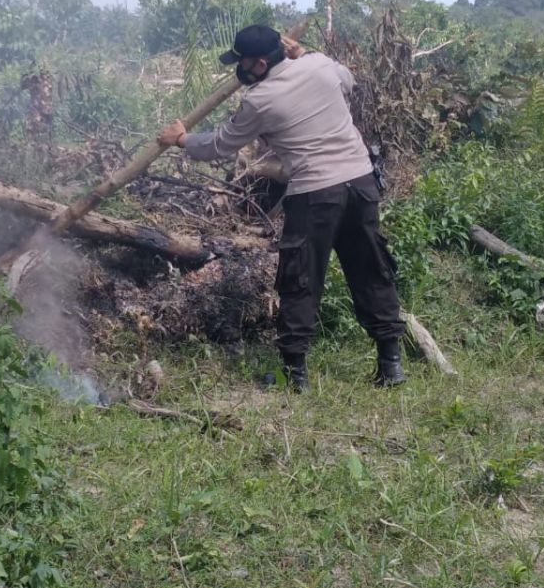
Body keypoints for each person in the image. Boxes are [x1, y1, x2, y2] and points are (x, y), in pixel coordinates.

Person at [157, 24, 406, 392]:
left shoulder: (260, 100)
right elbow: (348, 80)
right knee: (371, 269)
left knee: (300, 279)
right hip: (362, 183)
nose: (237, 70)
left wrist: (180, 139)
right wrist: (302, 54)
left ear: (259, 63)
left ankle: (297, 376)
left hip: (316, 193)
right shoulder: (320, 64)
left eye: (240, 62)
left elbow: (220, 145)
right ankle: (391, 365)